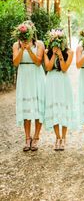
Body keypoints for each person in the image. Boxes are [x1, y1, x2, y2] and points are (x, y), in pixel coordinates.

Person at [13, 21, 45, 151]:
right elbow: (15, 62)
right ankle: (27, 138)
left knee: (37, 107)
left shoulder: (39, 44)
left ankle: (36, 137)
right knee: (26, 108)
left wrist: (29, 50)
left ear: (32, 33)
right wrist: (22, 49)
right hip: (24, 78)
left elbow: (38, 62)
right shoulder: (16, 44)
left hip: (36, 76)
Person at [44, 29, 74, 151]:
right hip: (51, 81)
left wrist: (60, 55)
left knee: (63, 107)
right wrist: (54, 55)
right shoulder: (47, 52)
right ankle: (57, 137)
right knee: (54, 108)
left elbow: (65, 69)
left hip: (63, 81)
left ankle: (64, 137)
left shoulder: (69, 52)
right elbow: (48, 67)